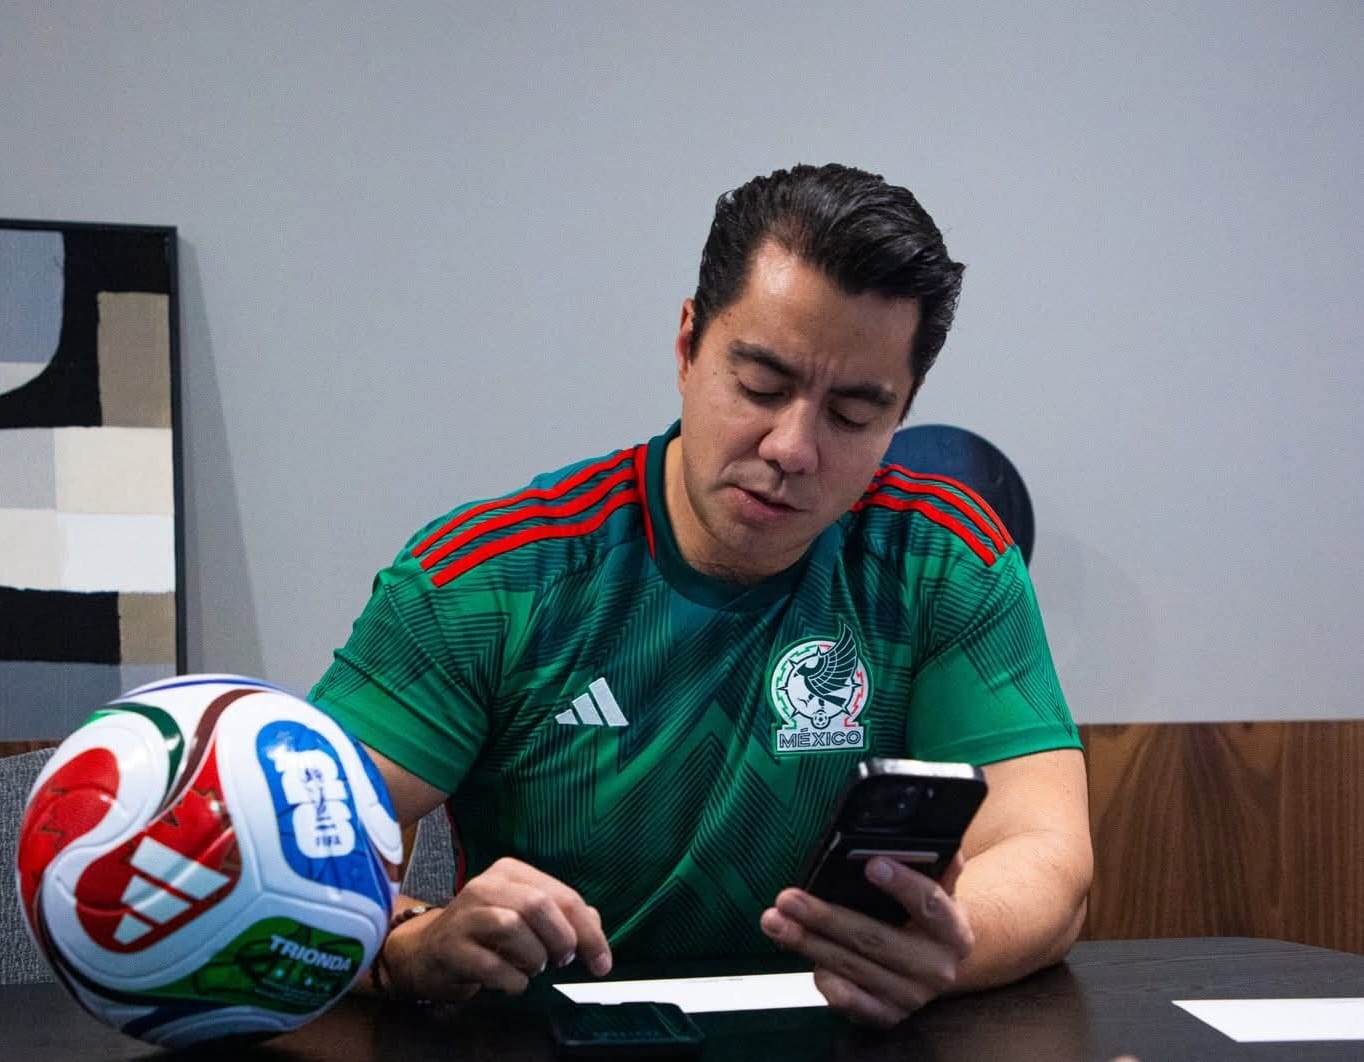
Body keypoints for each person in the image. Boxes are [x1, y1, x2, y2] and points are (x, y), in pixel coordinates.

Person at [311, 163, 1093, 1028]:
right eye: (761, 387)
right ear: (688, 346)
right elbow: (285, 859)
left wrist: (952, 943)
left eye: (852, 414)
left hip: (837, 1037)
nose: (793, 447)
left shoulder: (943, 559)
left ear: (902, 411)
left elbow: (1044, 853)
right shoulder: (491, 577)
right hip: (549, 1038)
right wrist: (411, 947)